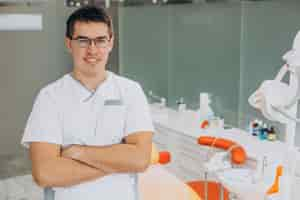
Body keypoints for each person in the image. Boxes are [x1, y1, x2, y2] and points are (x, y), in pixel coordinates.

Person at [21, 6, 154, 200]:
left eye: (100, 40)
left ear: (111, 43)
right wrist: (119, 162)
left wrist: (78, 152)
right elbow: (45, 173)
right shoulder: (50, 97)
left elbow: (140, 160)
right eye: (83, 41)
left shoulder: (130, 91)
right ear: (69, 44)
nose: (92, 50)